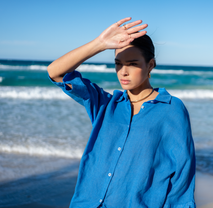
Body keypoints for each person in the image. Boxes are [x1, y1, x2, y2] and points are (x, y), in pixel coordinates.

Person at [47, 17, 196, 208]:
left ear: (150, 65)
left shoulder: (171, 109)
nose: (123, 72)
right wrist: (99, 44)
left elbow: (182, 175)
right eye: (118, 63)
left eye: (132, 64)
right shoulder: (105, 105)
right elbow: (55, 73)